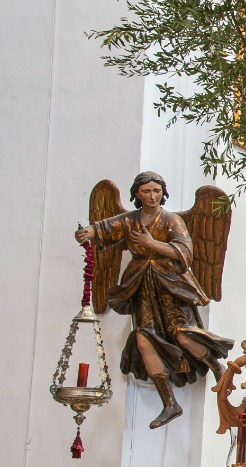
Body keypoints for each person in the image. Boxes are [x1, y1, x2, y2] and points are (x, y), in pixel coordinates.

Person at [76, 171, 233, 428]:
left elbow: (184, 252)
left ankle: (217, 367)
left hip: (170, 283)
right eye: (146, 191)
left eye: (157, 191)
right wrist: (88, 233)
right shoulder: (131, 220)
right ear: (137, 194)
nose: (152, 196)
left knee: (182, 334)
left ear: (163, 193)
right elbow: (106, 228)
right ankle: (169, 402)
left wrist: (151, 243)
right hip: (141, 284)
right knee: (142, 337)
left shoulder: (171, 220)